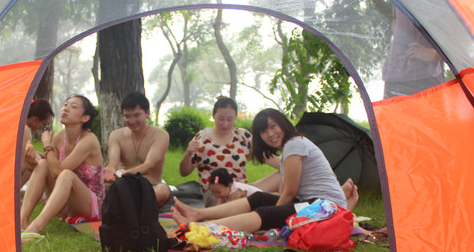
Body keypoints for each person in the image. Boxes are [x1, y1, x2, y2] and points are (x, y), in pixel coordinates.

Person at [171, 108, 358, 234]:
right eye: (263, 131)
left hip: (325, 210)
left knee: (267, 211)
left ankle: (202, 228)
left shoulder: (294, 144)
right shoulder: (289, 150)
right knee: (260, 198)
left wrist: (273, 215)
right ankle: (199, 214)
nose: (270, 134)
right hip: (314, 205)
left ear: (283, 124)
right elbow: (285, 193)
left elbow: (290, 193)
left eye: (273, 127)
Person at [20, 95, 104, 241]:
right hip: (65, 202)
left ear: (84, 118)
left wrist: (47, 144)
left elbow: (58, 172)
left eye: (73, 106)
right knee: (44, 164)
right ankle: (22, 221)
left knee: (66, 174)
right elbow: (50, 167)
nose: (66, 108)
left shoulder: (89, 140)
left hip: (90, 206)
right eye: (65, 104)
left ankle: (36, 228)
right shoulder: (59, 137)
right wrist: (33, 160)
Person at [178, 96, 255, 206]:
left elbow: (265, 157)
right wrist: (188, 153)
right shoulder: (202, 138)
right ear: (213, 116)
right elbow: (184, 172)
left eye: (230, 119)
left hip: (240, 188)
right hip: (216, 191)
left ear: (236, 117)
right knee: (236, 204)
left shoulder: (243, 136)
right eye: (221, 119)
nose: (225, 124)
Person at [103, 91, 172, 207]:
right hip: (123, 187)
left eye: (136, 115)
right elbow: (113, 163)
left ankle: (127, 207)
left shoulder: (161, 135)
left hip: (151, 187)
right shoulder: (116, 135)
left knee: (163, 191)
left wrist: (125, 174)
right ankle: (128, 207)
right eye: (127, 116)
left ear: (147, 113)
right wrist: (109, 171)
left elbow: (149, 164)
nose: (132, 121)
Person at [382, 8, 444, 99]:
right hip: (392, 76)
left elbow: (459, 30)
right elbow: (395, 20)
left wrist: (434, 54)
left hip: (423, 78)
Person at [21, 99, 54, 186]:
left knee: (39, 159)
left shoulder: (19, 124)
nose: (42, 128)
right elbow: (21, 162)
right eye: (44, 124)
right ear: (35, 119)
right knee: (39, 164)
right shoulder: (25, 130)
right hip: (8, 177)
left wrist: (41, 155)